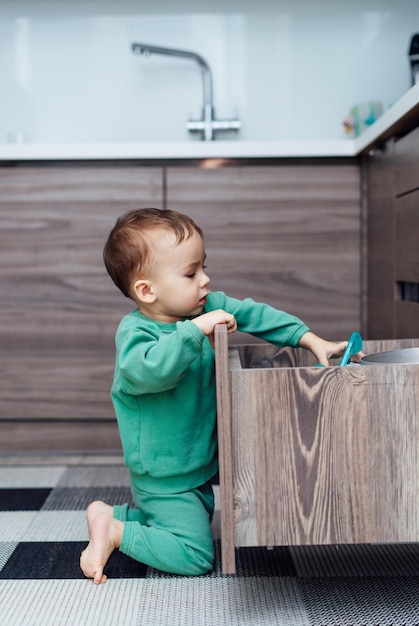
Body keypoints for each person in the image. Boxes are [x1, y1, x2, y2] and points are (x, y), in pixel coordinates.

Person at [80, 207, 352, 584]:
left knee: (187, 521)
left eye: (203, 267)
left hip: (198, 465)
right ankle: (115, 531)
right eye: (191, 273)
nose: (205, 280)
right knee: (195, 555)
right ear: (147, 290)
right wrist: (196, 332)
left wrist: (308, 338)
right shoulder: (136, 335)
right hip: (165, 475)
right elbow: (150, 372)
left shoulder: (202, 307)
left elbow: (256, 314)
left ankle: (112, 516)